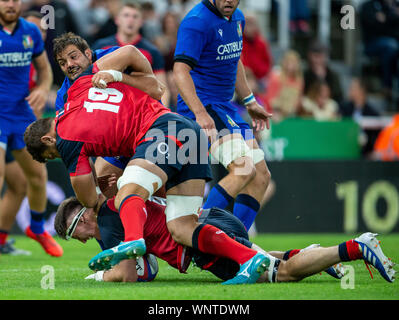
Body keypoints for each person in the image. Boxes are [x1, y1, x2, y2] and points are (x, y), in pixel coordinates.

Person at [24, 41, 271, 285]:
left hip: (164, 128)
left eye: (73, 57)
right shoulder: (73, 89)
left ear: (88, 53)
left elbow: (158, 88)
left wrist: (116, 74)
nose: (69, 65)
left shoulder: (99, 69)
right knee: (182, 227)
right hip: (181, 134)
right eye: (63, 62)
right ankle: (249, 257)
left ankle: (132, 243)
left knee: (123, 194)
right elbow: (151, 82)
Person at [55, 195, 395, 284]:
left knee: (282, 274)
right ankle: (313, 255)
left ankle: (355, 246)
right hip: (210, 220)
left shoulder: (112, 221)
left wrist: (101, 274)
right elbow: (149, 269)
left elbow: (129, 274)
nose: (82, 240)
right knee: (273, 260)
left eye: (76, 232)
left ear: (85, 217)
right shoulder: (122, 206)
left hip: (201, 242)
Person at [173, 0, 273, 232]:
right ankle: (196, 233)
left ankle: (237, 241)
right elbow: (179, 71)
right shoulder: (197, 22)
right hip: (203, 106)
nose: (229, 0)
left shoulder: (237, 17)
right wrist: (199, 113)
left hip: (225, 107)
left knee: (261, 176)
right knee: (243, 169)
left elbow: (234, 58)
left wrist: (249, 101)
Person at [0, 0, 62, 257]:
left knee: (34, 178)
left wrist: (41, 88)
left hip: (21, 115)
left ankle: (36, 228)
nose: (10, 4)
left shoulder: (31, 31)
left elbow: (45, 72)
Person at [92, 2, 171, 108]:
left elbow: (163, 89)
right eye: (126, 15)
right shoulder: (101, 46)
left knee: (173, 124)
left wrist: (163, 114)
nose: (130, 20)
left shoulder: (152, 51)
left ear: (141, 22)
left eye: (135, 16)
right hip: (106, 105)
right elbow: (88, 77)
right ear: (117, 20)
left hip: (139, 108)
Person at [360, 0, 399, 101]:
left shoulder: (392, 6)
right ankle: (387, 87)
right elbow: (372, 26)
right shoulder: (368, 6)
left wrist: (388, 18)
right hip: (372, 44)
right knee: (391, 47)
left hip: (391, 44)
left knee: (392, 47)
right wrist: (391, 19)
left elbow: (392, 28)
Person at [340, 78, 381, 157]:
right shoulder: (343, 108)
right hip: (345, 149)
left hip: (365, 153)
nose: (350, 90)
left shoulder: (373, 113)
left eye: (353, 88)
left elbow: (376, 138)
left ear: (361, 91)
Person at [262, 50, 304, 121]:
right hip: (275, 114)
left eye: (294, 62)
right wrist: (275, 111)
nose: (292, 65)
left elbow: (298, 100)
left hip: (292, 115)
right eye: (289, 61)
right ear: (284, 62)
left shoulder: (299, 80)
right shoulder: (276, 77)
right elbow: (269, 99)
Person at [304, 40, 343, 105]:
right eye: (315, 56)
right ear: (310, 56)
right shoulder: (306, 75)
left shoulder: (332, 75)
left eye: (320, 56)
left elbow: (339, 97)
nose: (318, 60)